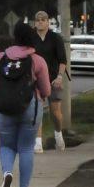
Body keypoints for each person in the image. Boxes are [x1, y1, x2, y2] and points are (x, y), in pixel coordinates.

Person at [0, 22, 52, 187]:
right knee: (26, 148)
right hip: (30, 108)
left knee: (6, 145)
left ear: (14, 37)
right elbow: (46, 90)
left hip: (3, 108)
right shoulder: (37, 61)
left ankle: (7, 172)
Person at [31, 10, 68, 152]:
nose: (40, 22)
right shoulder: (31, 38)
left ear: (48, 22)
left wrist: (59, 76)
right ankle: (38, 142)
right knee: (37, 110)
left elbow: (62, 60)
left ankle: (58, 134)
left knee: (55, 112)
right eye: (37, 19)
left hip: (53, 79)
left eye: (43, 19)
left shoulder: (55, 38)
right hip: (36, 79)